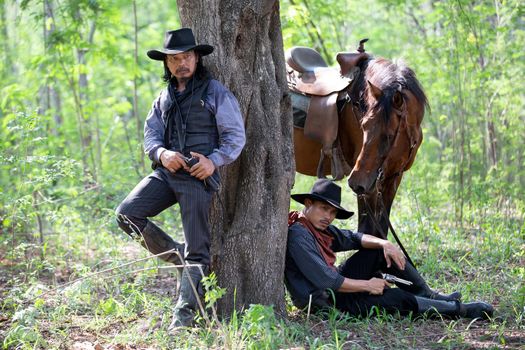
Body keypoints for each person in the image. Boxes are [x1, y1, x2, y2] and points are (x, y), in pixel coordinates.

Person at [115, 28, 245, 328]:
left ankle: (183, 319)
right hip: (167, 172)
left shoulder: (216, 92)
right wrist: (162, 154)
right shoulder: (164, 97)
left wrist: (213, 162)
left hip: (197, 178)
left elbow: (235, 136)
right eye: (173, 59)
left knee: (199, 248)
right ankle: (178, 258)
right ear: (167, 64)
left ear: (197, 58)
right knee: (127, 215)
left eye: (186, 56)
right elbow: (150, 136)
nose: (180, 63)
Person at [285, 179, 494, 319]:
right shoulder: (299, 235)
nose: (328, 217)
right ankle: (460, 310)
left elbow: (353, 238)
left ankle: (427, 294)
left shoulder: (319, 227)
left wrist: (385, 244)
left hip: (335, 287)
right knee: (396, 298)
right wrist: (368, 285)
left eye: (332, 212)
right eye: (324, 209)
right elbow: (327, 280)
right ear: (308, 203)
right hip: (326, 301)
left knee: (376, 251)